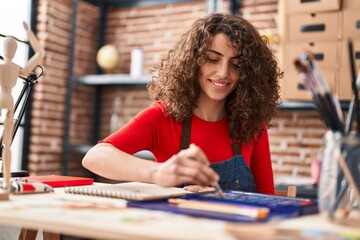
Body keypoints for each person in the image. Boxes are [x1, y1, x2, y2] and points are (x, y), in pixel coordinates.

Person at [82, 13, 282, 194]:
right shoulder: (162, 116)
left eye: (236, 64)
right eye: (212, 59)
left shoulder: (251, 124)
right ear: (193, 61)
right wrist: (157, 172)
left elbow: (267, 198)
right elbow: (95, 157)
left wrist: (221, 198)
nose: (223, 73)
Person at [0, 22, 44, 192]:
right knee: (7, 145)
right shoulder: (17, 69)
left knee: (6, 144)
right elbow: (40, 53)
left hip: (2, 98)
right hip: (9, 100)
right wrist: (29, 33)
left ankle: (6, 183)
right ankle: (7, 181)